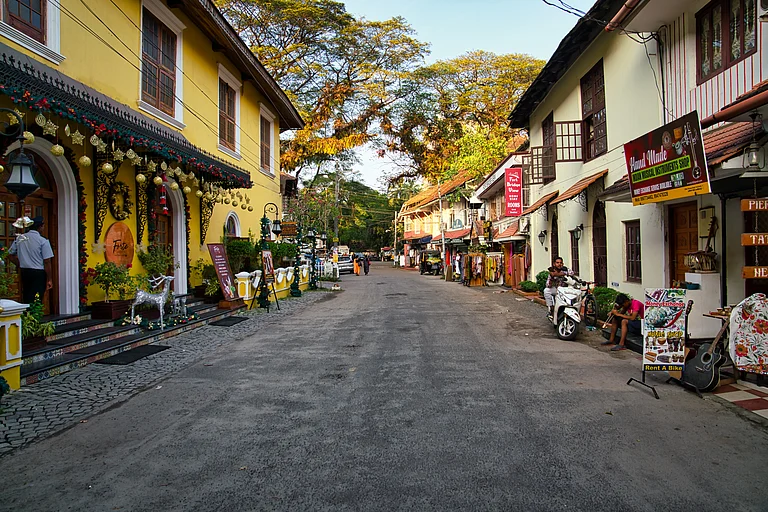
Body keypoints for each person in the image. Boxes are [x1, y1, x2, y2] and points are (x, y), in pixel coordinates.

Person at [9, 216, 54, 305]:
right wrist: (49, 279)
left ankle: (27, 317)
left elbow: (10, 255)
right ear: (40, 227)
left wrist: (19, 264)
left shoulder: (20, 238)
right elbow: (47, 261)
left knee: (26, 296)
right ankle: (34, 317)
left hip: (25, 271)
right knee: (37, 298)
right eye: (43, 226)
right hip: (38, 273)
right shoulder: (43, 241)